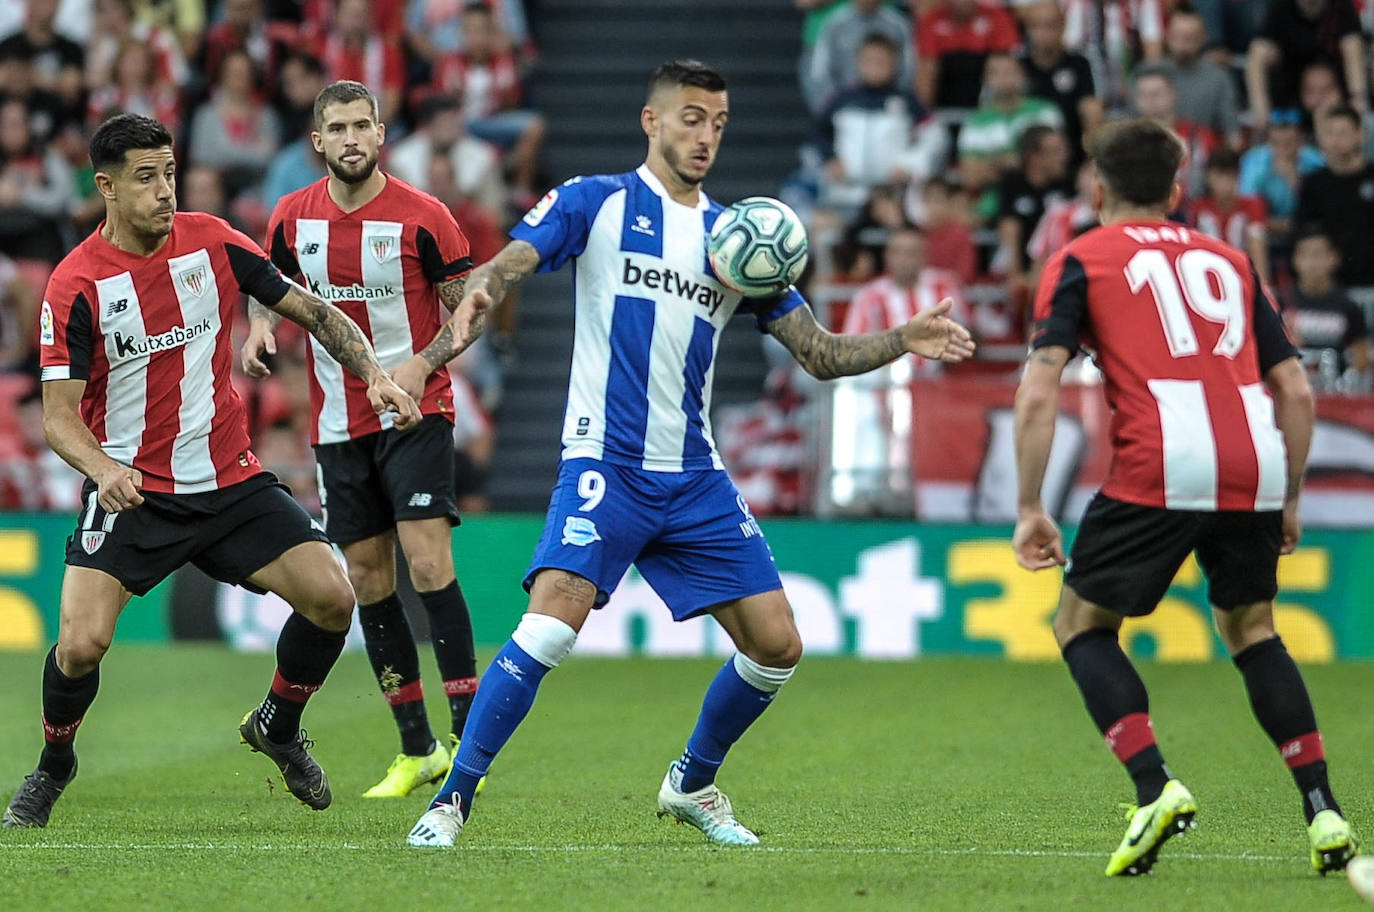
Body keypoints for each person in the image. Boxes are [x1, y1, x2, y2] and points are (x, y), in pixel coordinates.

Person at [404, 59, 975, 848]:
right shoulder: (595, 202)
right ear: (653, 120)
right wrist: (483, 292)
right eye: (692, 118)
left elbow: (817, 353)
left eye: (717, 123)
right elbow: (513, 261)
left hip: (694, 476)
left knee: (777, 647)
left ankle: (693, 782)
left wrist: (900, 341)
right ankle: (451, 802)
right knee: (549, 627)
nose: (705, 136)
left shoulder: (740, 239)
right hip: (606, 462)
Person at [2, 112, 421, 829]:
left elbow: (315, 311)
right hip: (132, 491)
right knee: (79, 646)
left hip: (230, 481)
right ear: (105, 187)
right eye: (145, 178)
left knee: (332, 598)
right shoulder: (76, 285)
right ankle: (54, 764)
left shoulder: (215, 242)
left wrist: (375, 374)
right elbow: (57, 417)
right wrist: (103, 470)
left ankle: (278, 727)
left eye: (168, 173)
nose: (164, 191)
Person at [1012, 117, 1358, 876]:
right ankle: (1323, 809)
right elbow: (1295, 387)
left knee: (1081, 624)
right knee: (1253, 630)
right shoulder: (1230, 259)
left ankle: (1153, 785)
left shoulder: (1080, 256)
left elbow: (1039, 392)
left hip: (1163, 458)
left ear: (1097, 188)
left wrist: (1030, 503)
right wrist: (1289, 492)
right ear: (1177, 189)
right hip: (1255, 458)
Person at [242, 80, 484, 800]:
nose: (351, 138)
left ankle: (470, 734)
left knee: (427, 562)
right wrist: (260, 326)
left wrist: (422, 365)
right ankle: (416, 751)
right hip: (336, 424)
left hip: (416, 412)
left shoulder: (424, 217)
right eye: (337, 128)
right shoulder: (290, 217)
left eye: (362, 126)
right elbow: (267, 281)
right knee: (370, 581)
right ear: (317, 142)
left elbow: (466, 314)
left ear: (381, 135)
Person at [1285, 228, 1371, 388]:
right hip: (1295, 385)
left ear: (1334, 258)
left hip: (1337, 389)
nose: (1312, 263)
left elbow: (1362, 354)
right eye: (1305, 255)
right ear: (1295, 260)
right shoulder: (1283, 302)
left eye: (1318, 255)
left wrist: (1349, 377)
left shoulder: (1348, 306)